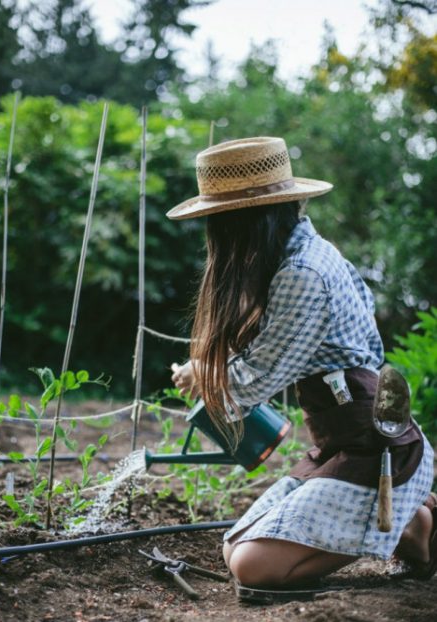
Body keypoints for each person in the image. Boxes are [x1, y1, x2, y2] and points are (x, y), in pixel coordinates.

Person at [167, 136, 436, 589]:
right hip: (345, 441)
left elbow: (257, 378)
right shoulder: (306, 255)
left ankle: (409, 523)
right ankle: (416, 524)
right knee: (235, 547)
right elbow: (333, 343)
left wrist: (207, 377)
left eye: (215, 220)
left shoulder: (301, 272)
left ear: (242, 222)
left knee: (253, 568)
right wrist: (208, 372)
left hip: (375, 450)